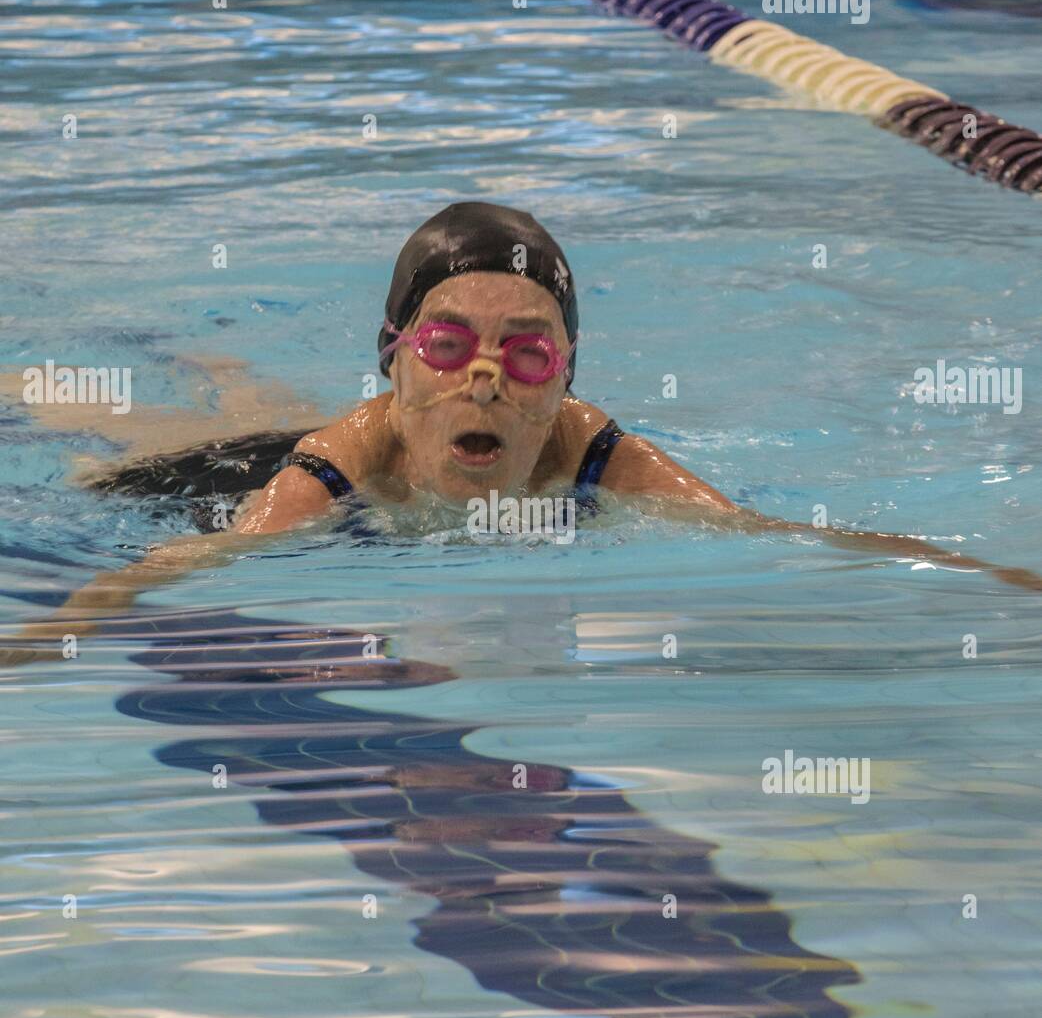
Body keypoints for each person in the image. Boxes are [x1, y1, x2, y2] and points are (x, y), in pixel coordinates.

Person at [3, 201, 1039, 665]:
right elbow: (200, 553)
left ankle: (217, 363)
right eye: (450, 344)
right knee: (99, 439)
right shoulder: (343, 459)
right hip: (243, 470)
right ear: (397, 356)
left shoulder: (591, 451)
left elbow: (774, 535)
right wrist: (53, 632)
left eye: (528, 353)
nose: (489, 380)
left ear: (567, 378)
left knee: (234, 396)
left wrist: (985, 577)